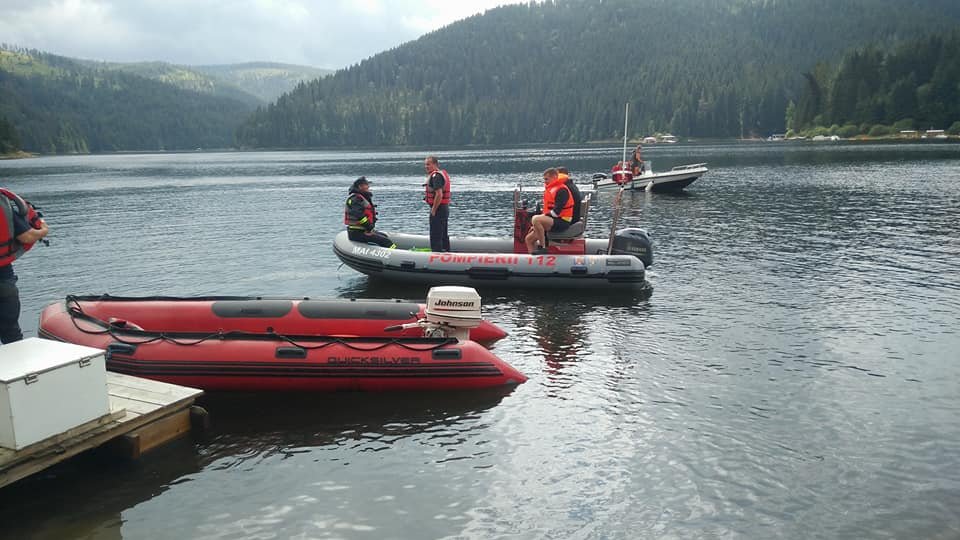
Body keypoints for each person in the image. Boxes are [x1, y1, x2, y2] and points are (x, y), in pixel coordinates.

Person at [0, 188, 50, 344]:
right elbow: (27, 236)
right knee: (11, 332)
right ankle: (17, 364)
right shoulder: (2, 204)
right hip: (2, 277)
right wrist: (43, 229)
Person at [524, 168, 574, 254]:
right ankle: (534, 263)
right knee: (528, 239)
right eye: (544, 179)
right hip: (553, 220)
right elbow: (549, 211)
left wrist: (540, 219)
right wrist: (536, 226)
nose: (545, 181)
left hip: (562, 221)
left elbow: (555, 213)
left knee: (536, 219)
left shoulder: (562, 190)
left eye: (546, 179)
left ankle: (543, 247)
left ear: (554, 177)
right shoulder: (551, 189)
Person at [344, 176, 395, 248]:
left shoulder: (361, 197)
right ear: (360, 186)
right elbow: (359, 216)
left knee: (384, 236)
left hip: (362, 230)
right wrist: (368, 227)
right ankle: (396, 255)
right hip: (357, 232)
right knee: (386, 242)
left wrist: (369, 229)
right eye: (366, 185)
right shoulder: (355, 199)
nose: (368, 187)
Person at [423, 156, 451, 252]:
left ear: (435, 164)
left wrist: (433, 210)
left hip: (438, 209)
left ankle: (437, 254)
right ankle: (446, 252)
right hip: (444, 208)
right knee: (443, 234)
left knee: (436, 235)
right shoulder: (440, 174)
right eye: (425, 164)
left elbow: (439, 194)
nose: (426, 166)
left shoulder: (436, 176)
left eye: (428, 164)